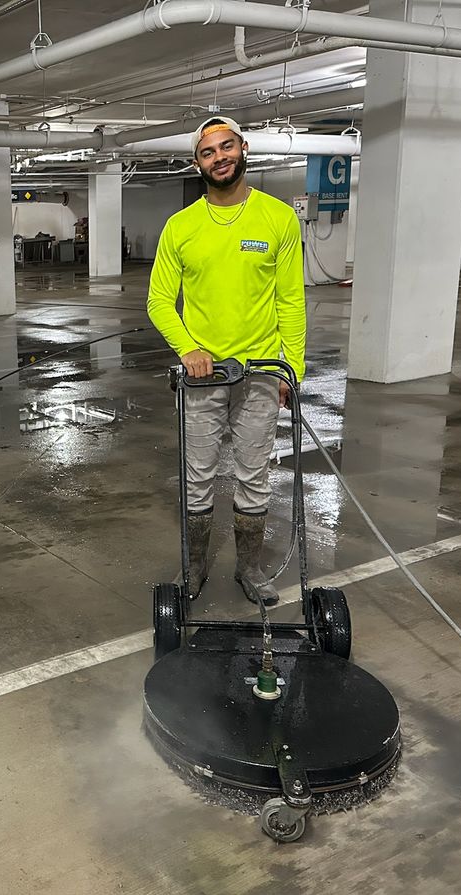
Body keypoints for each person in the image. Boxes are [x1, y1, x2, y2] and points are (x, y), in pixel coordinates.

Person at [146, 116, 306, 606]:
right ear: (198, 163)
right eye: (208, 152)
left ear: (244, 148)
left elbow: (291, 302)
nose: (220, 158)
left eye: (226, 147)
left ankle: (251, 570)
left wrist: (291, 370)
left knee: (254, 476)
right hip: (202, 378)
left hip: (260, 374)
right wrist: (189, 350)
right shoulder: (181, 227)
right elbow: (158, 301)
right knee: (197, 476)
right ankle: (194, 568)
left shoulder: (278, 218)